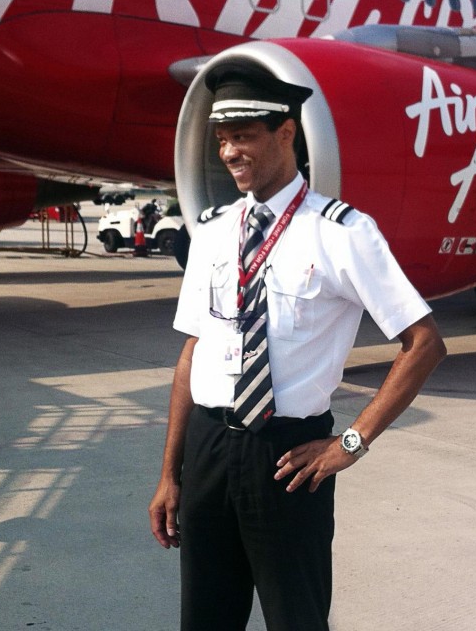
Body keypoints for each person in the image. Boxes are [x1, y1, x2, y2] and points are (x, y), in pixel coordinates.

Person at [148, 64, 447, 631]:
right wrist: (170, 473)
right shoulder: (211, 230)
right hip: (208, 449)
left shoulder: (342, 231)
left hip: (287, 458)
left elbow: (423, 343)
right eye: (223, 139)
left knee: (297, 620)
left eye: (245, 136)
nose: (230, 152)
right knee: (204, 620)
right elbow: (192, 354)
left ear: (286, 133)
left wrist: (351, 444)